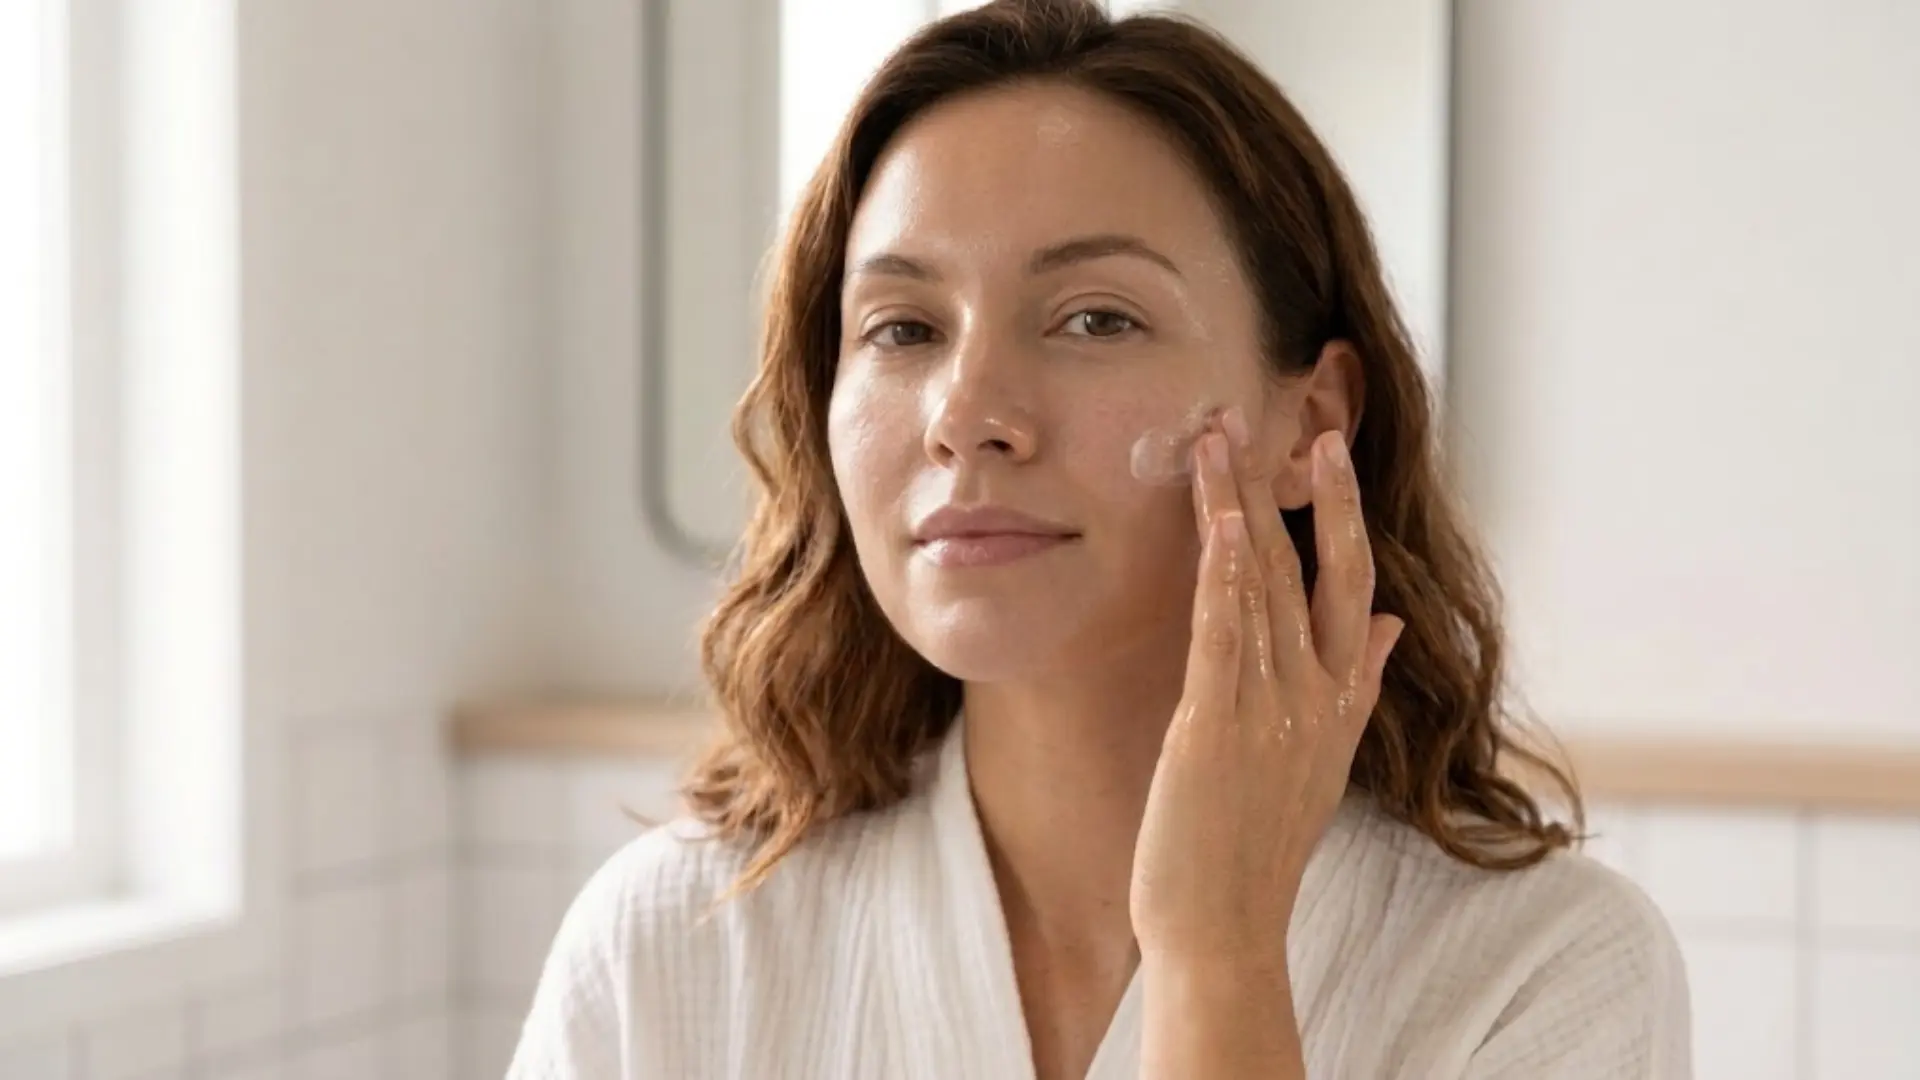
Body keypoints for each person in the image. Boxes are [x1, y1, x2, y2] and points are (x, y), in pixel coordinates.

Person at [507, 1, 1690, 1076]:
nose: (967, 414)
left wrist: (1217, 958)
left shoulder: (1544, 973)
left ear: (1310, 419)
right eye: (903, 326)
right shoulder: (668, 952)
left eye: (1095, 318)